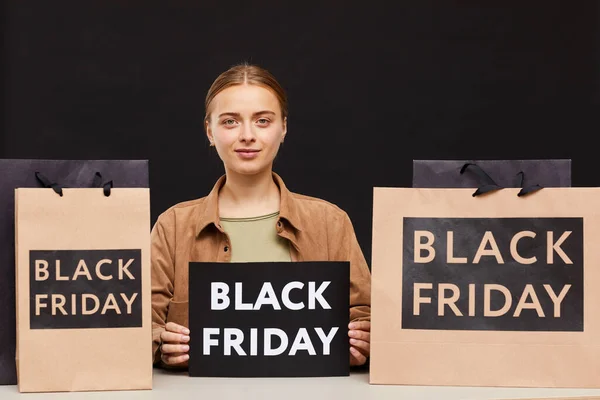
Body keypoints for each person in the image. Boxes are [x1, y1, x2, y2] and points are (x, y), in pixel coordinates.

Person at [151, 63, 371, 369]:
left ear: (283, 127)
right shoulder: (172, 226)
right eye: (230, 122)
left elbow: (367, 316)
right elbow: (139, 325)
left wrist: (362, 342)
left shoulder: (331, 222)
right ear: (209, 131)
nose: (247, 135)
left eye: (263, 121)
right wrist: (162, 342)